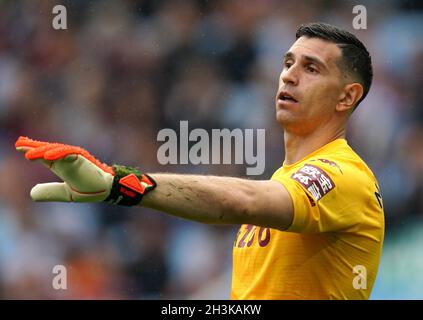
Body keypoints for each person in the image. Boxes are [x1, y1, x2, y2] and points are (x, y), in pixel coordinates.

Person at [15, 22, 384, 300]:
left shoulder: (346, 175)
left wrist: (121, 185)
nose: (289, 74)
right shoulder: (286, 177)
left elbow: (241, 201)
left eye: (312, 68)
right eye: (288, 62)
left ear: (346, 97)